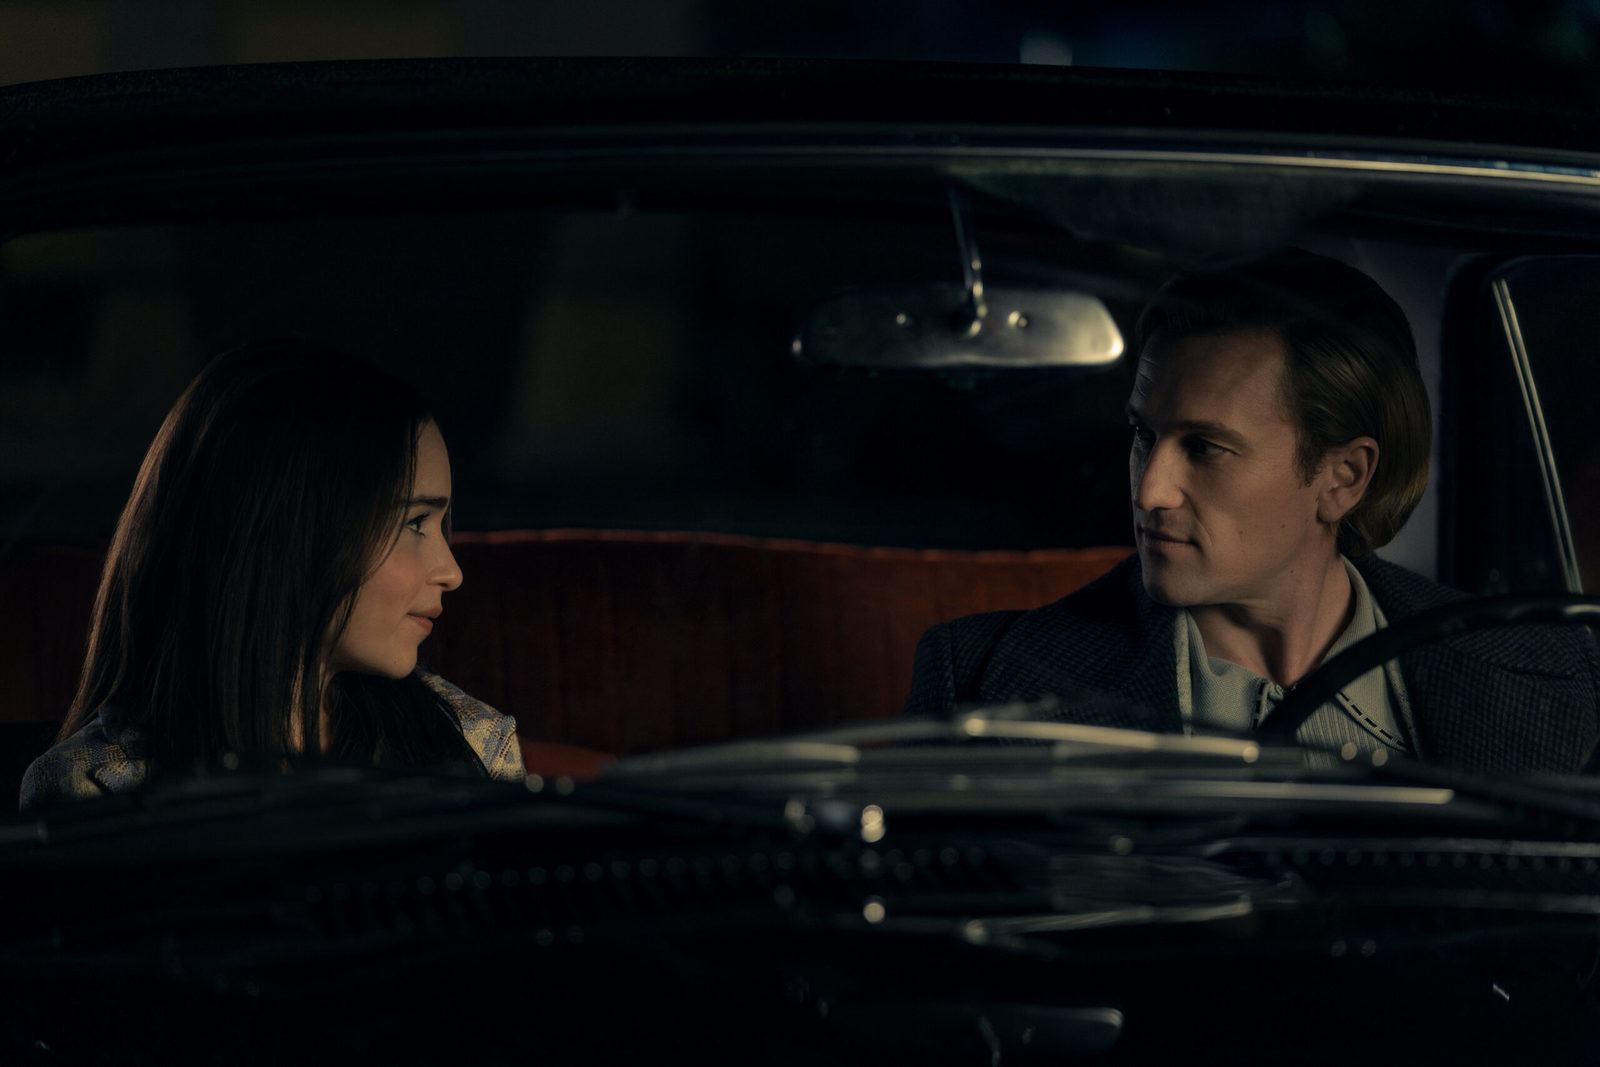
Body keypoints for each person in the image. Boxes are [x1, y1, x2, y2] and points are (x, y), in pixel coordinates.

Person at [904, 248, 1600, 775]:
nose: (1150, 492)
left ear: (1343, 478)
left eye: (1205, 447)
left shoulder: (1554, 668)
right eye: (1144, 434)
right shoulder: (981, 684)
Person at [19, 340, 524, 810]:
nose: (452, 572)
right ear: (292, 536)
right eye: (415, 523)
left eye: (440, 524)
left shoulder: (475, 748)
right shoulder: (93, 790)